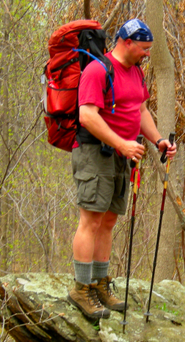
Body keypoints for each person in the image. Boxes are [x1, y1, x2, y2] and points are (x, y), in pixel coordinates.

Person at [67, 19, 177, 320]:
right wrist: (122, 144)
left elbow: (139, 110)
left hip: (121, 155)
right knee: (90, 219)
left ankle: (101, 283)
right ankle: (81, 288)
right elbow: (87, 116)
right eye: (144, 49)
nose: (146, 55)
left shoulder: (137, 73)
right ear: (126, 42)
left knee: (109, 220)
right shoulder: (97, 70)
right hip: (94, 152)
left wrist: (158, 140)